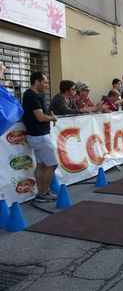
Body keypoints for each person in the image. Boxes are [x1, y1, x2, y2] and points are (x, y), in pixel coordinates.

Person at [22, 72, 58, 202]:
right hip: (39, 136)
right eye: (45, 82)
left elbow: (41, 115)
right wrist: (52, 118)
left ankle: (41, 192)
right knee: (52, 165)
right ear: (37, 81)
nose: (47, 85)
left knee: (42, 165)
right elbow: (40, 117)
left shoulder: (33, 95)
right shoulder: (31, 95)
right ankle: (44, 193)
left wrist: (48, 116)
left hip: (37, 135)